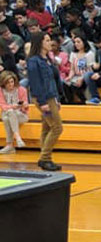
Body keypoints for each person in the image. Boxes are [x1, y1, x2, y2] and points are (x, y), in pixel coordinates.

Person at [26, 31, 64, 171]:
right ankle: (45, 158)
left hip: (51, 96)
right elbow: (35, 83)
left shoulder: (47, 58)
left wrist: (57, 98)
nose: (50, 43)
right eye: (47, 40)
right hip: (43, 98)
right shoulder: (33, 61)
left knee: (46, 128)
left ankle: (44, 157)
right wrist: (43, 103)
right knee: (57, 128)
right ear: (40, 42)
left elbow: (53, 80)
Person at [0, 70, 27, 153]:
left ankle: (10, 145)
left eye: (12, 82)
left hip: (21, 115)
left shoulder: (21, 89)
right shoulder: (0, 91)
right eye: (8, 83)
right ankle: (17, 138)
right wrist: (12, 106)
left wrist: (24, 105)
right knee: (8, 116)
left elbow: (25, 107)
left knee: (7, 117)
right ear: (3, 83)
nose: (11, 84)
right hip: (8, 113)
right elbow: (3, 106)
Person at [65, 34, 94, 103]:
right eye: (75, 42)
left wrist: (82, 78)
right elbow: (72, 69)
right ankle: (69, 102)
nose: (76, 44)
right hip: (75, 76)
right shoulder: (73, 54)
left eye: (78, 42)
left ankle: (83, 101)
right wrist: (69, 77)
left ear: (84, 42)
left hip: (85, 76)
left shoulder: (89, 54)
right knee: (66, 83)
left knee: (76, 85)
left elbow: (90, 69)